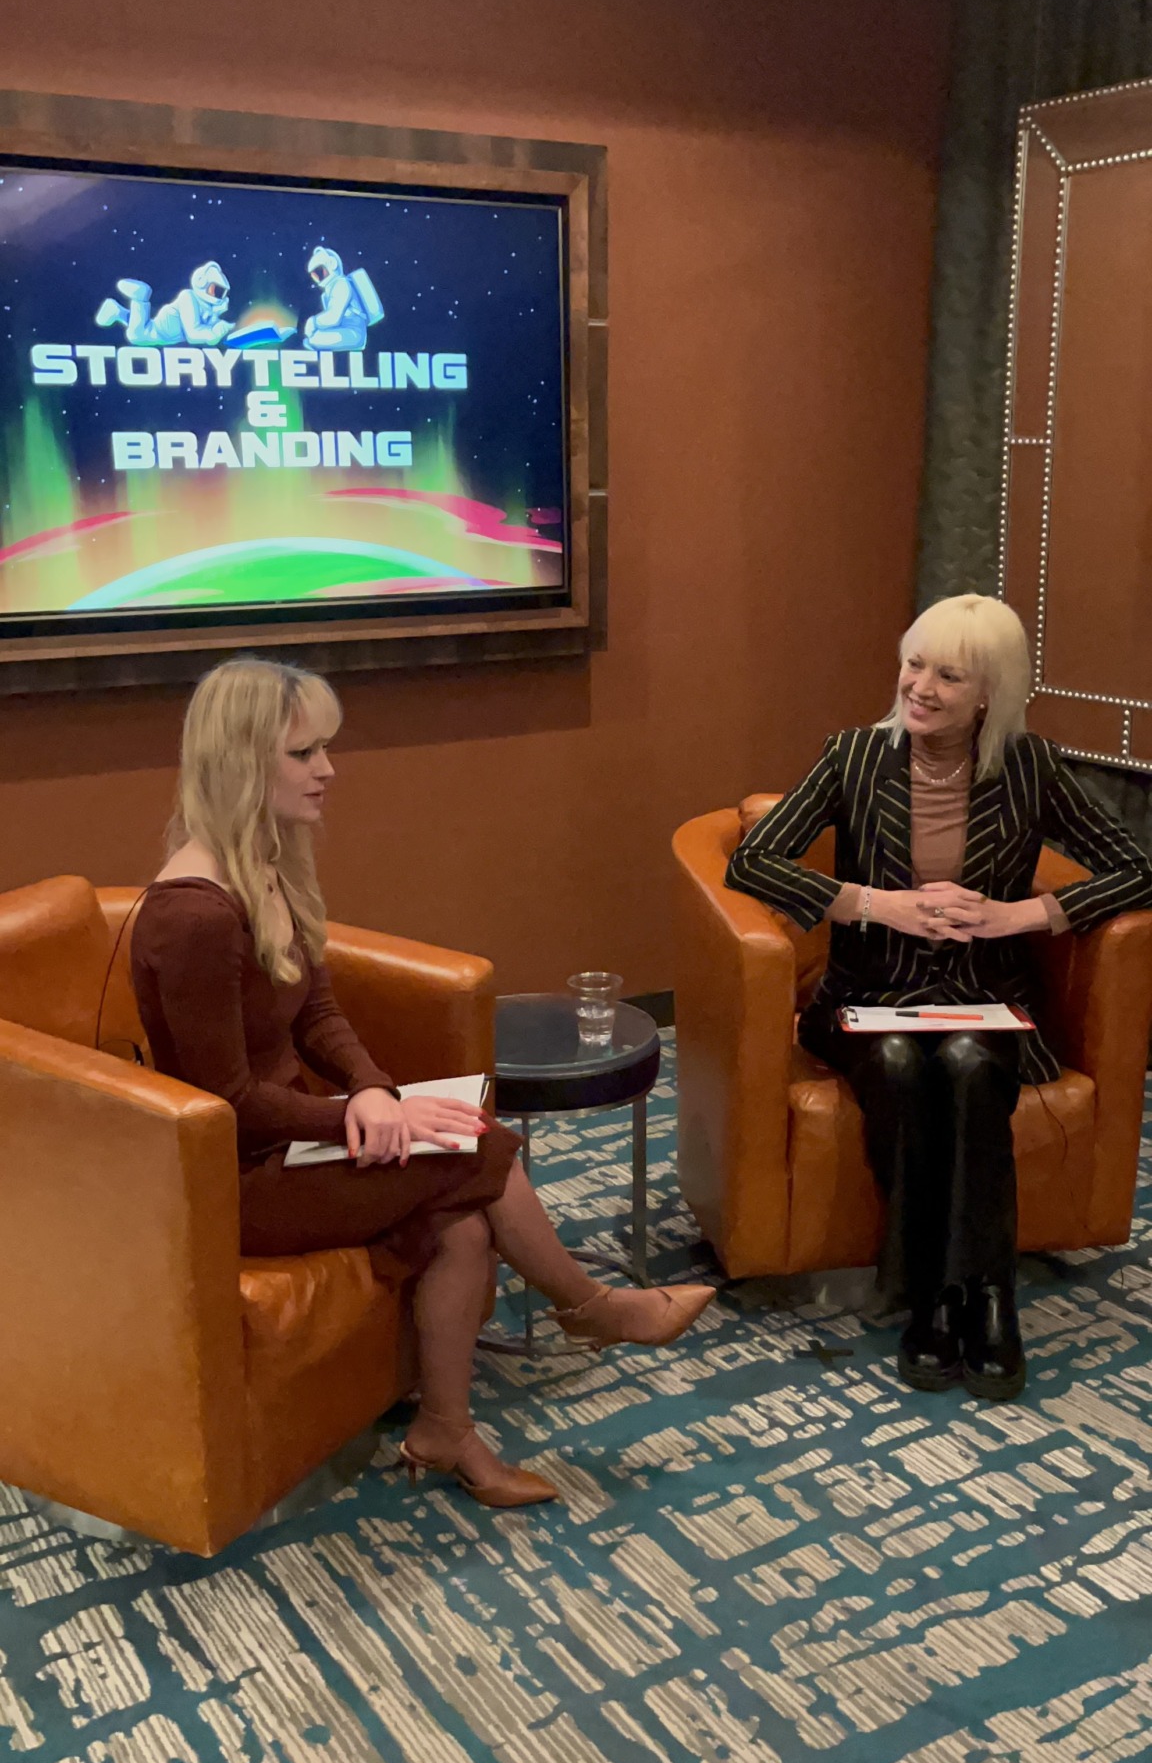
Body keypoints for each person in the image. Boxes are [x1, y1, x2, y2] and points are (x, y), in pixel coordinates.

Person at [131, 658, 713, 1509]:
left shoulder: (264, 862)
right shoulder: (194, 915)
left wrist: (373, 1089)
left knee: (463, 1229)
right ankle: (592, 1307)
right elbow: (230, 1101)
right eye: (304, 753)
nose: (328, 770)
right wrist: (358, 1117)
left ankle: (446, 1430)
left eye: (325, 749)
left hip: (290, 1142)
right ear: (242, 763)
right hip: (234, 1180)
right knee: (477, 1142)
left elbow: (316, 1011)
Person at [726, 594, 1152, 1402]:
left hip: (984, 997)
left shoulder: (1030, 766)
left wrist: (1020, 915)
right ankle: (939, 1291)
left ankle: (982, 1298)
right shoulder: (853, 756)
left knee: (965, 1062)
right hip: (868, 994)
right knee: (895, 1059)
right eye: (913, 664)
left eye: (948, 676)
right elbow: (753, 861)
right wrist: (871, 903)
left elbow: (1138, 867)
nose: (919, 687)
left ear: (990, 692)